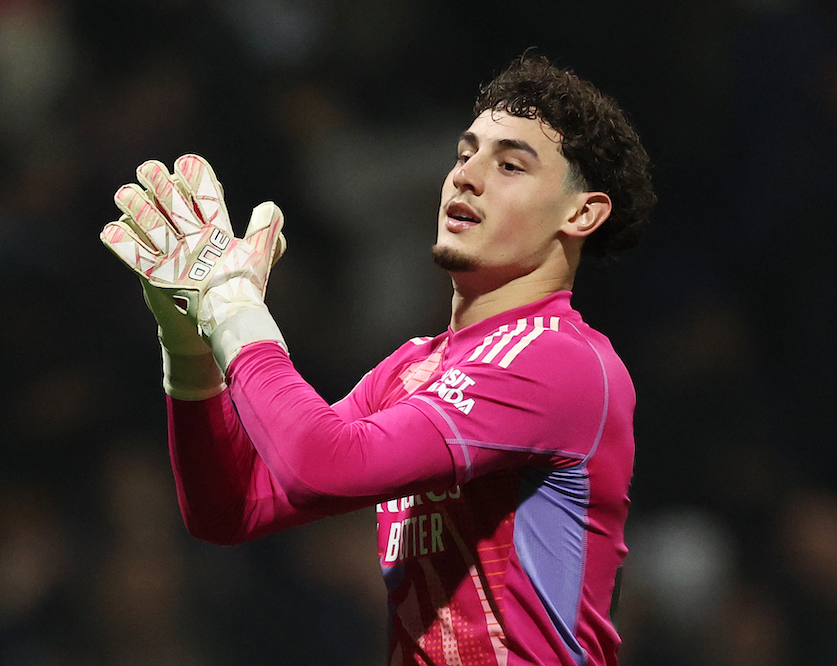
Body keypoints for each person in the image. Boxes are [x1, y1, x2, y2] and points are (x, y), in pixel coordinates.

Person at [101, 55, 655, 666]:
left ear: (581, 214)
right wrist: (192, 355)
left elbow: (321, 465)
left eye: (510, 165)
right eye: (465, 153)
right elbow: (229, 507)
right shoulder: (413, 368)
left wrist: (233, 310)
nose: (466, 177)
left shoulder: (560, 361)